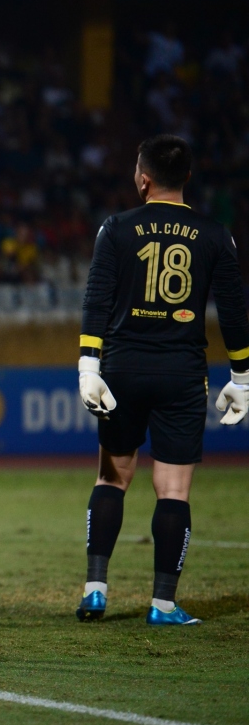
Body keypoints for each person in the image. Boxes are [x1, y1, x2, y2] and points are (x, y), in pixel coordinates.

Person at [75, 135, 249, 627]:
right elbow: (233, 312)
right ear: (186, 179)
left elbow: (96, 301)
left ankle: (94, 592)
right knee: (172, 490)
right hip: (181, 372)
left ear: (143, 177)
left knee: (112, 477)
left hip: (123, 369)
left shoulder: (117, 228)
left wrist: (89, 366)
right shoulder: (215, 234)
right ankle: (163, 605)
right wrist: (243, 375)